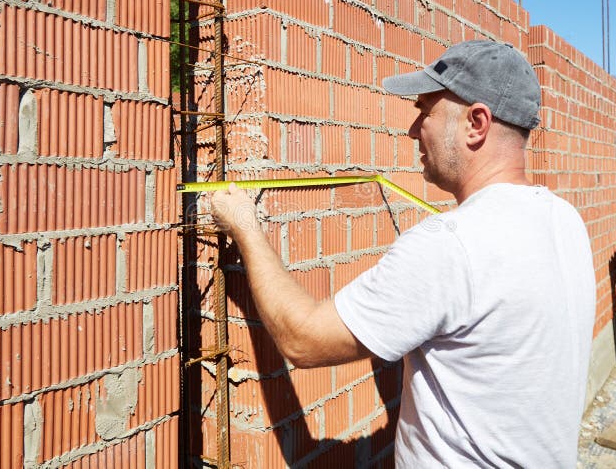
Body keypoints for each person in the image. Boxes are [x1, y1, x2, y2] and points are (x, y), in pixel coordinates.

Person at [211, 40, 595, 467]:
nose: (413, 130)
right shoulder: (564, 220)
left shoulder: (451, 244)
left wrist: (245, 227)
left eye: (425, 111)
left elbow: (303, 340)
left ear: (476, 123)